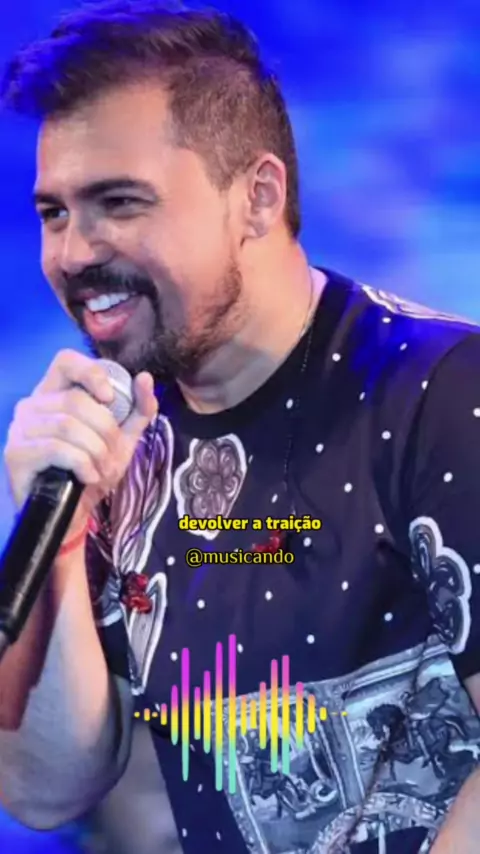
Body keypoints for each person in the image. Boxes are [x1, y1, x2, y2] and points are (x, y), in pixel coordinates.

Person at [0, 1, 479, 852]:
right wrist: (61, 542)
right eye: (54, 213)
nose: (73, 252)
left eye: (119, 201)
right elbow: (44, 790)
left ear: (258, 196)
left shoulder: (439, 391)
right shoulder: (122, 444)